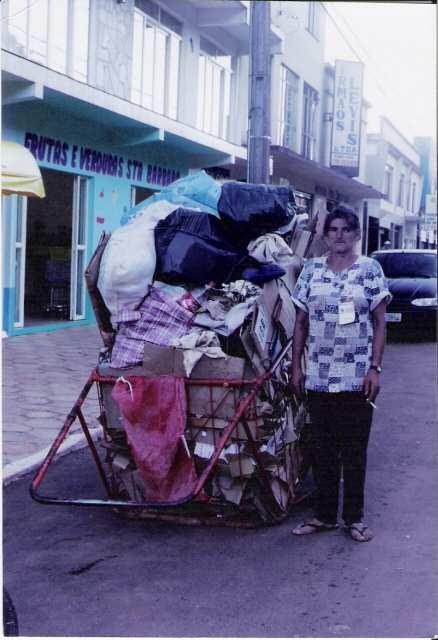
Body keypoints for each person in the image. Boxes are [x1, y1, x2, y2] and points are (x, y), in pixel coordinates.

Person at [290, 206, 392, 542]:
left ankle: (354, 519)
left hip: (356, 377)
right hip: (319, 375)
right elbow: (301, 323)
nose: (339, 235)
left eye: (346, 229)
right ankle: (323, 516)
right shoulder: (311, 271)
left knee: (354, 450)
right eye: (333, 229)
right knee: (322, 450)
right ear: (325, 235)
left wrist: (375, 369)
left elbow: (379, 324)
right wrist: (296, 367)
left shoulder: (369, 271)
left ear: (357, 234)